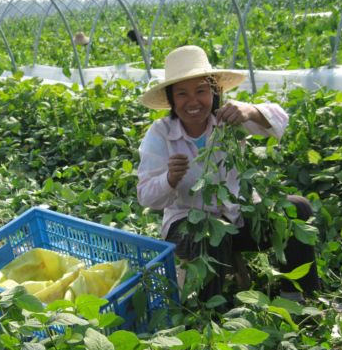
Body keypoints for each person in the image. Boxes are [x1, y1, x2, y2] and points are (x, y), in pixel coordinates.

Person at [137, 45, 319, 302]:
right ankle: (208, 312)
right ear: (171, 99)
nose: (193, 101)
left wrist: (250, 111)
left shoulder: (228, 119)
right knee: (210, 233)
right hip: (187, 222)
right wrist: (169, 179)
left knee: (297, 209)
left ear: (214, 92)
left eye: (201, 91)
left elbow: (281, 119)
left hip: (237, 214)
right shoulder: (160, 133)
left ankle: (296, 298)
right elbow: (145, 196)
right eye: (182, 94)